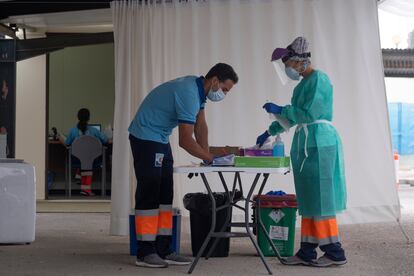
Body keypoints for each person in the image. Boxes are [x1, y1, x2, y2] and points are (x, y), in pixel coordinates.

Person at [129, 63, 238, 268]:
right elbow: (185, 140)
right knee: (150, 191)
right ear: (214, 80)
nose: (224, 94)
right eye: (224, 89)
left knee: (165, 194)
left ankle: (164, 249)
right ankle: (145, 252)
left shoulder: (199, 90)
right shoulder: (188, 92)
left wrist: (206, 157)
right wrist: (209, 158)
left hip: (160, 137)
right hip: (145, 135)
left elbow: (200, 126)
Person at [256, 37, 347, 267]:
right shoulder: (301, 87)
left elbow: (308, 114)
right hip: (306, 145)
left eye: (288, 65)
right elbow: (293, 117)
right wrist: (270, 130)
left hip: (321, 143)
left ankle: (334, 251)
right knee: (308, 199)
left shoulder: (320, 79)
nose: (288, 70)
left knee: (322, 199)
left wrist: (282, 108)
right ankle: (307, 250)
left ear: (299, 61)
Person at [61, 108, 109, 196]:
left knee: (83, 161)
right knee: (88, 160)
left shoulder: (73, 131)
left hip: (76, 161)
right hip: (93, 161)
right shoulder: (94, 131)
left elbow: (67, 143)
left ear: (78, 117)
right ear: (89, 118)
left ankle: (79, 174)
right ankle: (86, 189)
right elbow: (105, 140)